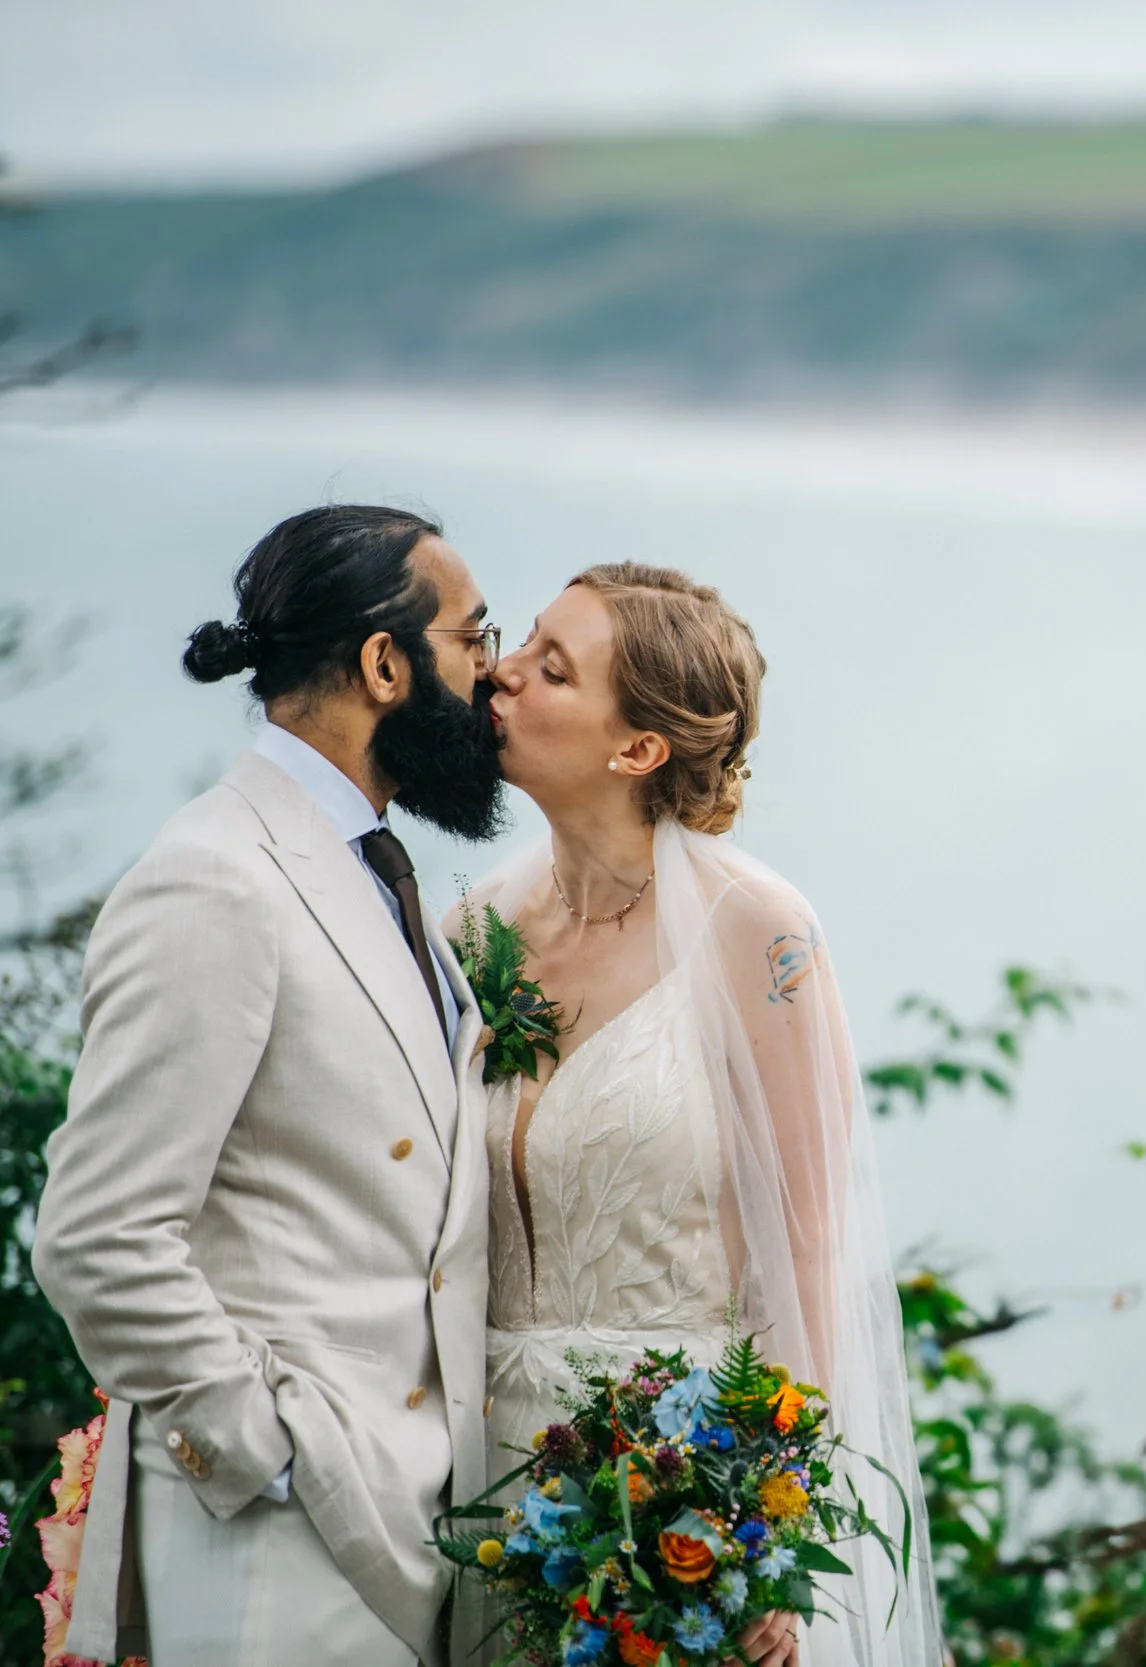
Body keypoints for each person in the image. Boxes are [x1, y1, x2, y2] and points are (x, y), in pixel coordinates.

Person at [33, 504, 507, 1666]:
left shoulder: (372, 866)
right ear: (386, 665)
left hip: (406, 1532)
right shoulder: (217, 877)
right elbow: (97, 1235)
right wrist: (266, 1454)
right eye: (476, 638)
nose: (495, 679)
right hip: (280, 1542)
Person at [462, 562, 938, 1666]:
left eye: (551, 667)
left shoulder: (756, 929)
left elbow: (810, 1246)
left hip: (682, 1493)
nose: (501, 674)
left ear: (637, 749)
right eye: (520, 643)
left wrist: (769, 1527)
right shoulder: (472, 930)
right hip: (486, 1484)